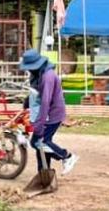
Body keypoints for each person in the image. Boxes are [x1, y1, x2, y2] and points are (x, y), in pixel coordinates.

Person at [19, 48, 78, 176]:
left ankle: (66, 156)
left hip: (52, 114)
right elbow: (36, 93)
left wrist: (40, 124)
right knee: (41, 144)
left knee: (39, 142)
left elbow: (46, 101)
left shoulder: (48, 76)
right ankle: (43, 173)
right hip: (44, 113)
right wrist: (27, 101)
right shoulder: (37, 74)